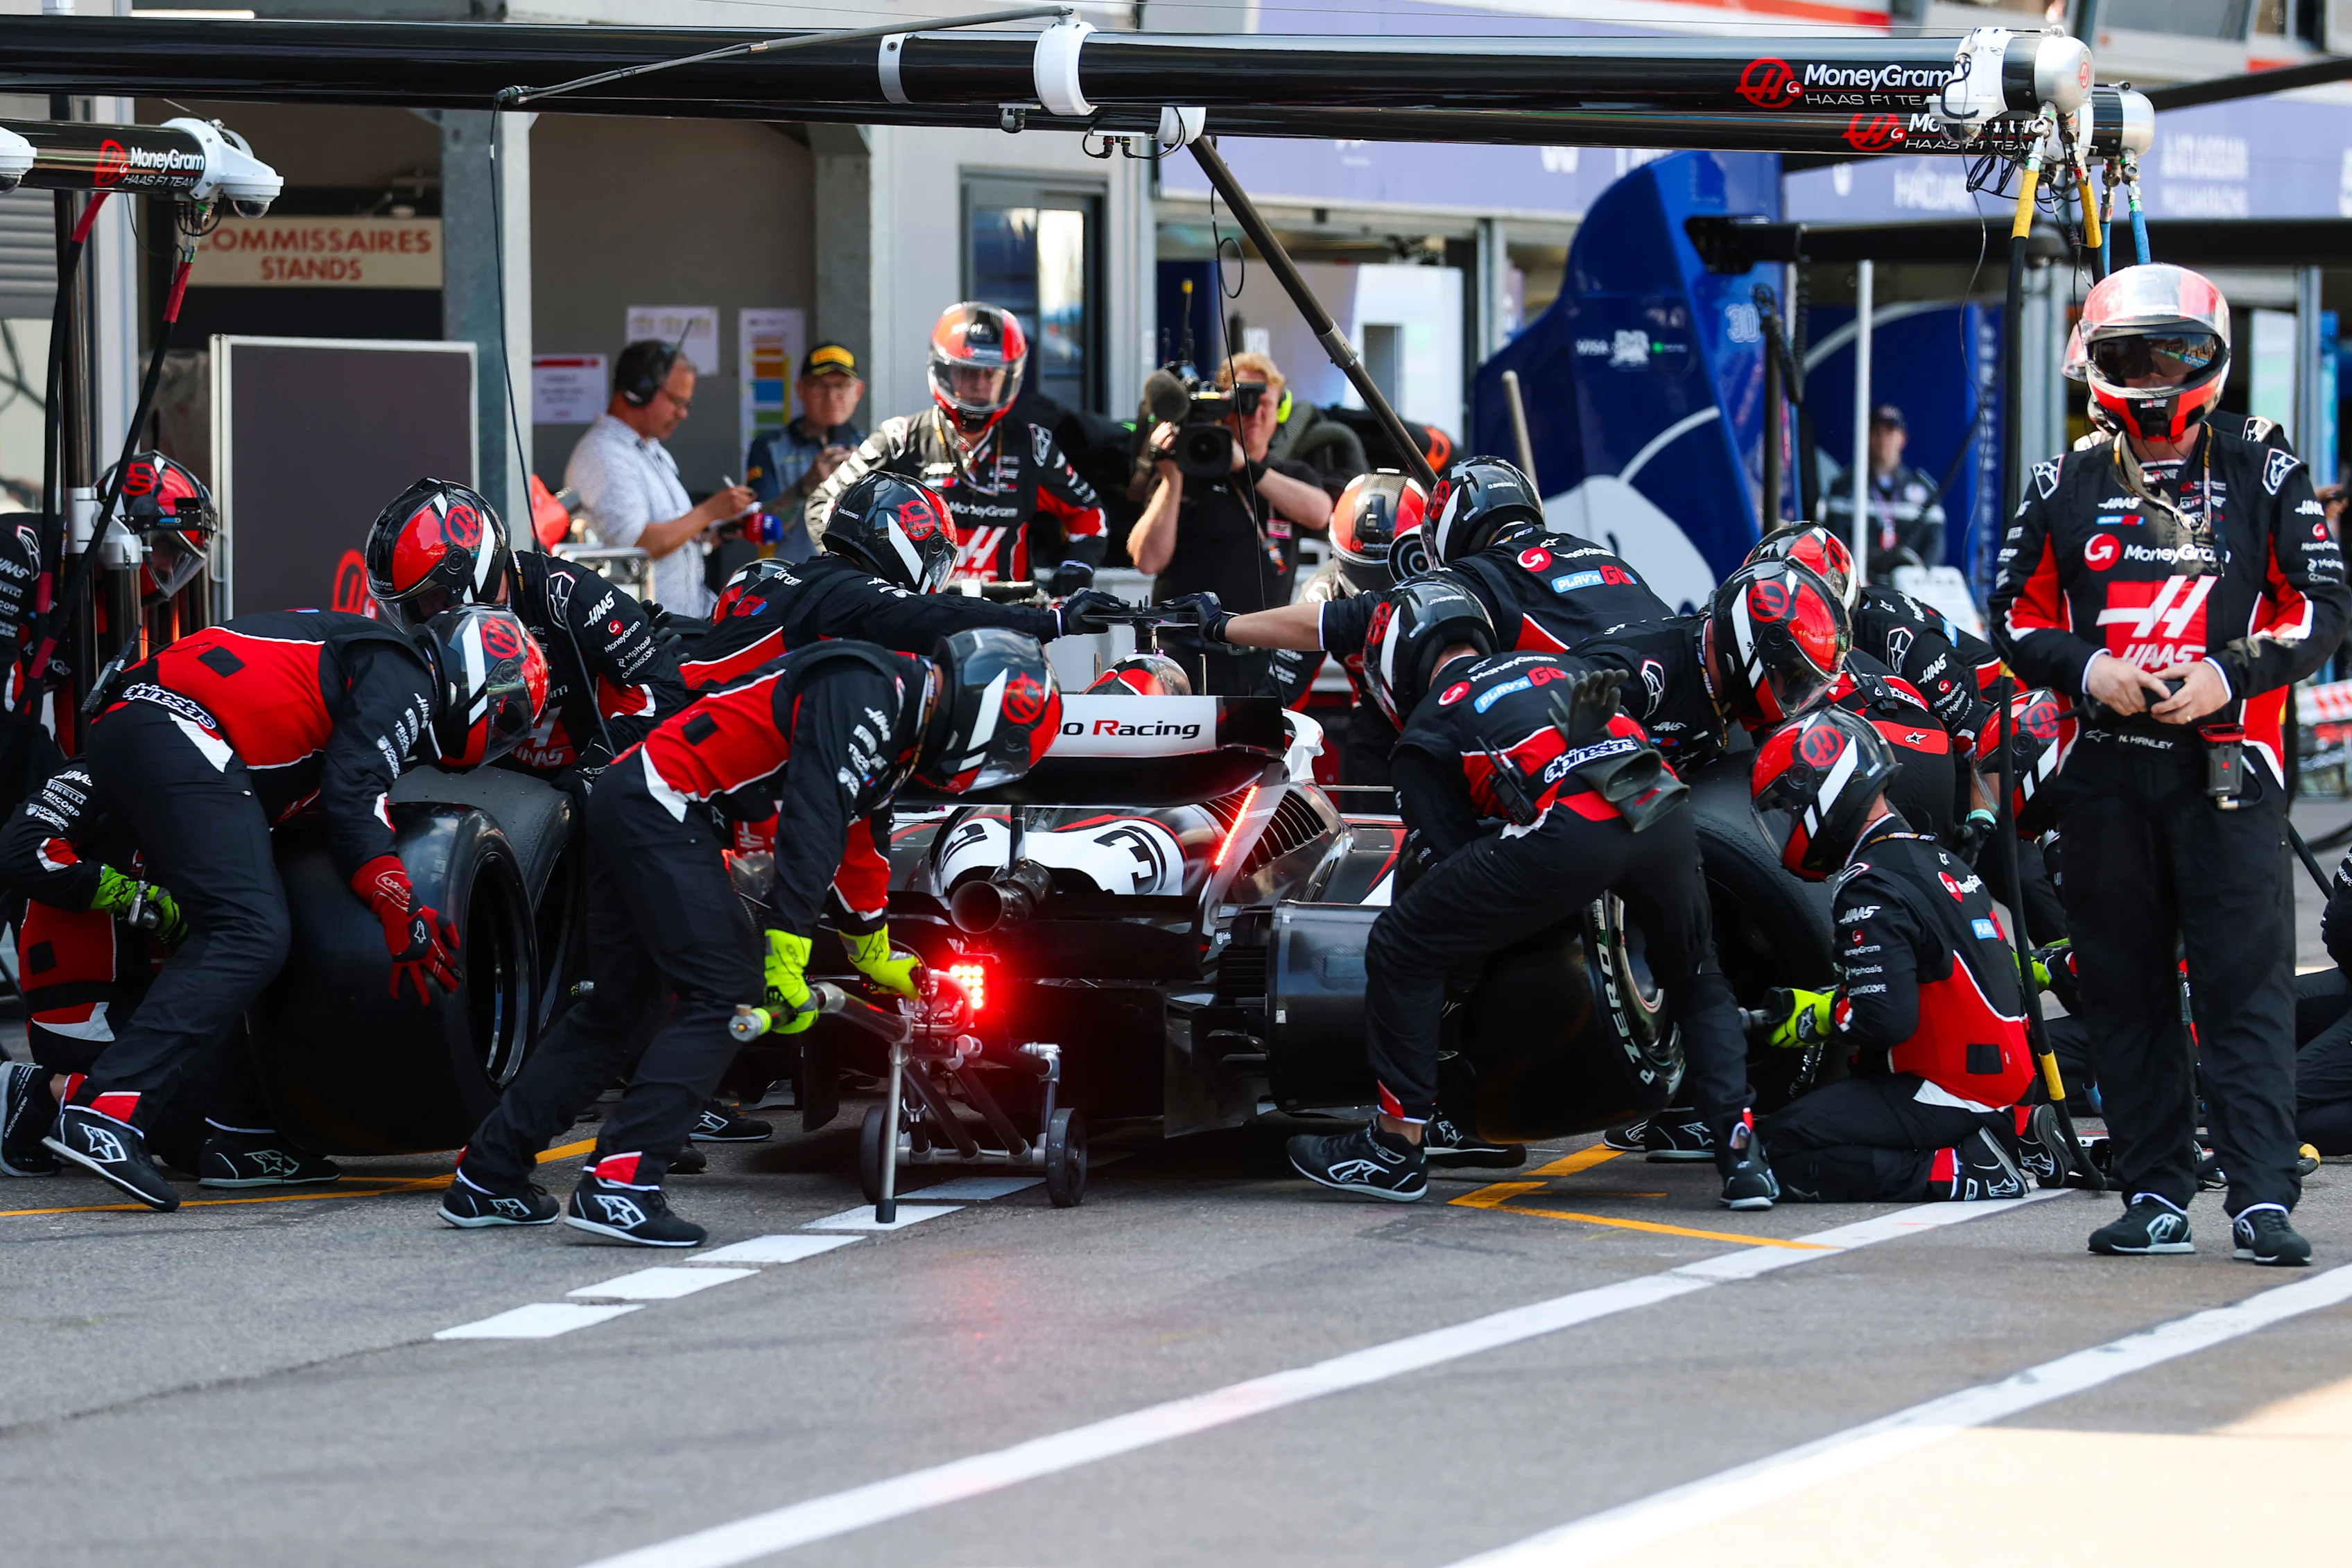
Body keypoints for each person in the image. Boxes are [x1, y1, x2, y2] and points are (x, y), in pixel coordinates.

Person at [440, 627, 1061, 1246]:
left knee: (622, 1009)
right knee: (724, 989)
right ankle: (621, 1183)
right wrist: (783, 957)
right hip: (664, 802)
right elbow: (814, 822)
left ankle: (488, 1174)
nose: (986, 771)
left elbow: (857, 843)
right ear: (984, 711)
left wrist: (873, 951)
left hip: (639, 799)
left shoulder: (898, 715)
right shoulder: (873, 690)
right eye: (1000, 753)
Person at [1990, 262, 2349, 1266]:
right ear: (2094, 369)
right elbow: (2012, 612)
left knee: (2246, 987)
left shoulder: (2264, 468)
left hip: (2228, 772)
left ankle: (2262, 1199)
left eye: (2173, 353)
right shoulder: (2062, 481)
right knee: (2125, 987)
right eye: (2127, 356)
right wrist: (2091, 666)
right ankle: (2154, 1191)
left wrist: (2229, 676)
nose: (2151, 378)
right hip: (2105, 772)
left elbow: (2323, 607)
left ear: (2213, 359)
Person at [1283, 578, 1778, 1208]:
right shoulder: (1558, 662)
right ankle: (1742, 1158)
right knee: (1698, 973)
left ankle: (1396, 1146)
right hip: (1661, 806)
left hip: (1572, 827)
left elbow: (1446, 859)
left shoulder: (1432, 721)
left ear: (1394, 662)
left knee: (1405, 941)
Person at [35, 605, 547, 1210]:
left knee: (237, 926)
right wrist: (394, 897)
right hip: (181, 732)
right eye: (509, 717)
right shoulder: (406, 672)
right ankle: (106, 1106)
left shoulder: (364, 660)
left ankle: (237, 1129)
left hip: (159, 732)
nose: (503, 735)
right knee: (249, 931)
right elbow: (353, 792)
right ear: (479, 679)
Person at [1748, 706, 2060, 1202]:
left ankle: (1960, 1169)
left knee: (1771, 1149)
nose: (1787, 823)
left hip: (1948, 1089)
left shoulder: (1870, 881)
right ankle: (2007, 1138)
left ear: (1825, 793)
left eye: (1788, 808)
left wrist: (1814, 1018)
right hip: (2004, 1081)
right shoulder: (1937, 857)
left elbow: (1885, 1021)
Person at [1164, 456, 1666, 690]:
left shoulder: (1475, 579)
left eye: (1402, 568)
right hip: (1671, 682)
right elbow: (1277, 698)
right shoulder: (1588, 550)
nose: (1387, 583)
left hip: (1572, 717)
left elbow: (1353, 617)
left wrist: (1222, 623)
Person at [808, 302, 1106, 595]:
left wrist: (1077, 566)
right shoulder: (900, 439)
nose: (979, 385)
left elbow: (1089, 513)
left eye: (990, 374)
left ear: (1009, 377)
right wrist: (860, 575)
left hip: (1009, 617)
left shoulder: (1034, 447)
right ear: (943, 370)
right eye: (968, 372)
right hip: (916, 619)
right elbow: (824, 505)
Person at [1127, 350, 1333, 695]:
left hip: (1260, 657)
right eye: (1244, 402)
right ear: (1224, 408)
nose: (1256, 413)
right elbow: (1147, 560)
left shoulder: (1292, 475)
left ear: (1280, 410)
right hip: (1183, 658)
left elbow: (1319, 512)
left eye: (1265, 402)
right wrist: (1171, 479)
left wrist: (1245, 467)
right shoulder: (1184, 474)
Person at [566, 340, 755, 620]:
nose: (683, 413)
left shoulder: (651, 450)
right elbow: (636, 546)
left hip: (679, 624)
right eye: (676, 401)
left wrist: (711, 533)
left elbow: (668, 536)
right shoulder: (603, 454)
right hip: (645, 634)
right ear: (638, 391)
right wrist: (709, 511)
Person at [1264, 471, 1423, 783]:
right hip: (1377, 715)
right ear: (1338, 555)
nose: (1371, 592)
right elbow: (1281, 696)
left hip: (1450, 713)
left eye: (1386, 574)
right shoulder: (1323, 593)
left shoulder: (1457, 581)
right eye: (1361, 571)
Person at [739, 342, 867, 569]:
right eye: (820, 385)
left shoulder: (870, 449)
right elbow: (760, 529)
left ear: (858, 391)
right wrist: (807, 485)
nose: (831, 395)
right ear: (801, 390)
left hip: (854, 585)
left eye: (841, 385)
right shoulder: (769, 447)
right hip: (787, 582)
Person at [1818, 403, 1946, 578]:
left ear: (1903, 438)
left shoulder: (1924, 489)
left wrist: (1917, 579)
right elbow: (1834, 539)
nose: (1883, 439)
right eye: (1877, 432)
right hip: (1861, 585)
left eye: (1890, 432)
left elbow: (1935, 545)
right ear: (1868, 437)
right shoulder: (1844, 487)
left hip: (1908, 588)